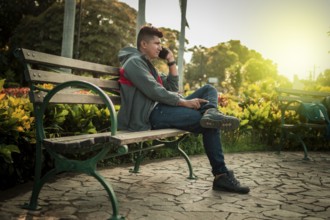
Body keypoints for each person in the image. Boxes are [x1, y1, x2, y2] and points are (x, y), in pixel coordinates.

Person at [117, 25, 250, 194]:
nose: (160, 47)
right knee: (209, 124)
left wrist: (171, 60)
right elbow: (154, 90)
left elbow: (171, 88)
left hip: (163, 108)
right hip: (151, 115)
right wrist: (184, 103)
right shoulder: (134, 63)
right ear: (144, 44)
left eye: (160, 44)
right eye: (157, 43)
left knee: (209, 89)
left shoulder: (148, 66)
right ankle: (221, 175)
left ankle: (211, 113)